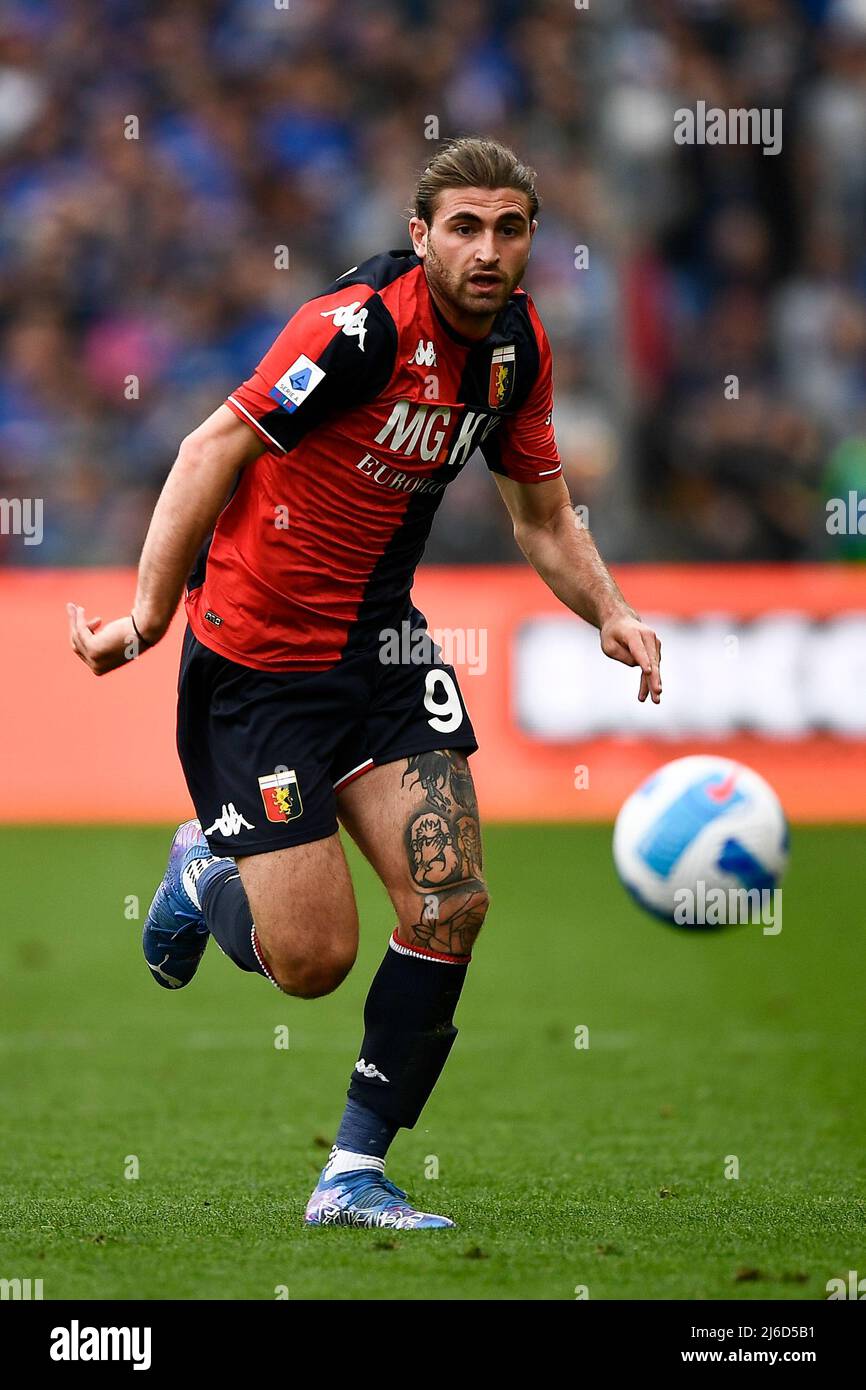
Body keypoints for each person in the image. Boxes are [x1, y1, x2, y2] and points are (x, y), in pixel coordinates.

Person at [67, 136, 662, 1230]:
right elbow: (209, 449)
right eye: (465, 228)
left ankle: (350, 1175)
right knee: (312, 964)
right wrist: (146, 619)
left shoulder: (514, 351)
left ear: (531, 237)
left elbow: (540, 515)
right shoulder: (358, 329)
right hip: (257, 667)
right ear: (420, 231)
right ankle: (204, 871)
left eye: (510, 228)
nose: (487, 251)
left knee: (451, 901)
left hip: (384, 655)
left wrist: (610, 610)